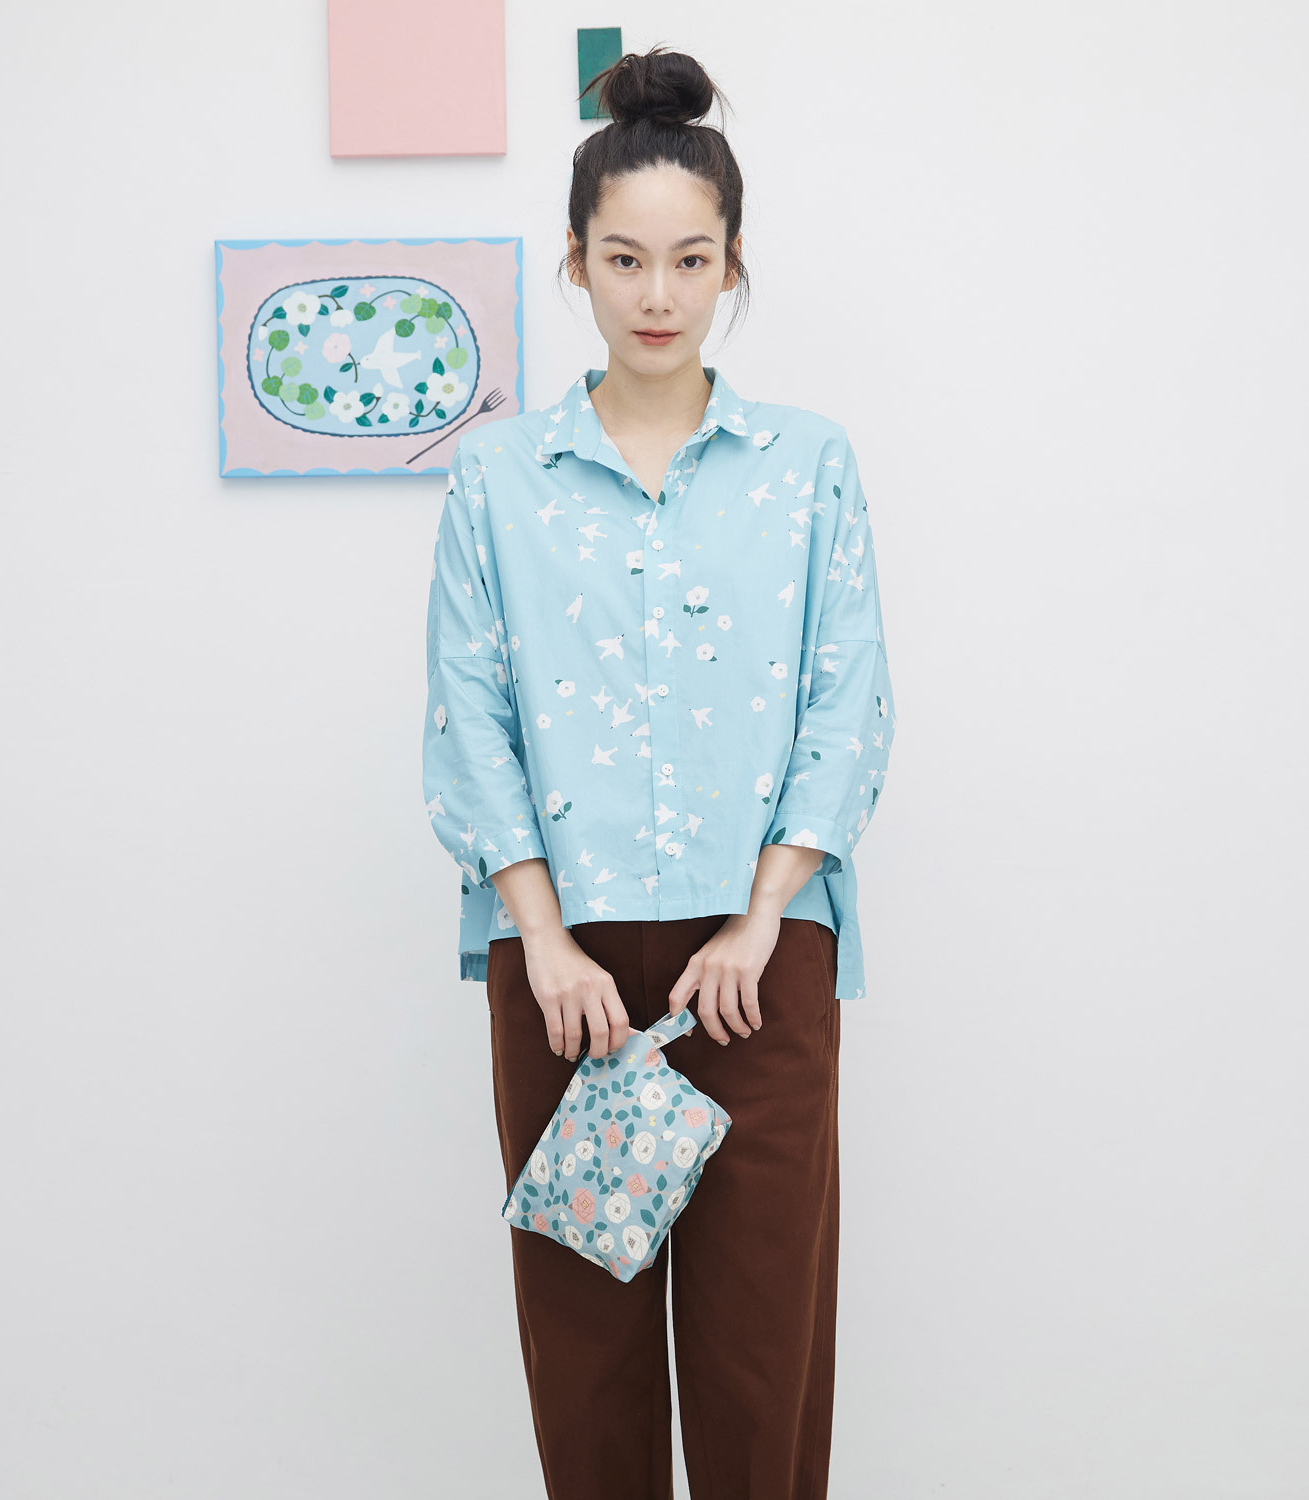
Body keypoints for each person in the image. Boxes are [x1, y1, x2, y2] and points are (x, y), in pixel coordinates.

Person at [419, 45, 897, 1500]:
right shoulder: (496, 478)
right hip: (563, 967)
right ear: (575, 261)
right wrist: (545, 939)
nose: (657, 294)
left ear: (731, 264)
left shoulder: (809, 465)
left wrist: (763, 918)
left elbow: (848, 702)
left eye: (691, 260)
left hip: (758, 958)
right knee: (587, 1366)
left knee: (761, 1361)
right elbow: (468, 715)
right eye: (624, 259)